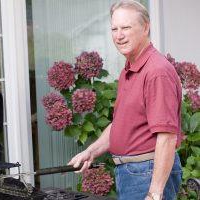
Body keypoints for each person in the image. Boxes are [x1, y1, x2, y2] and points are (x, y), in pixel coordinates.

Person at [68, 1, 183, 200]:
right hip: (133, 173)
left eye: (126, 28)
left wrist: (154, 194)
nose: (119, 35)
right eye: (114, 29)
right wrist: (92, 151)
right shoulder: (129, 69)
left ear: (145, 27)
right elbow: (121, 123)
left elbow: (167, 137)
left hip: (146, 173)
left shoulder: (156, 72)